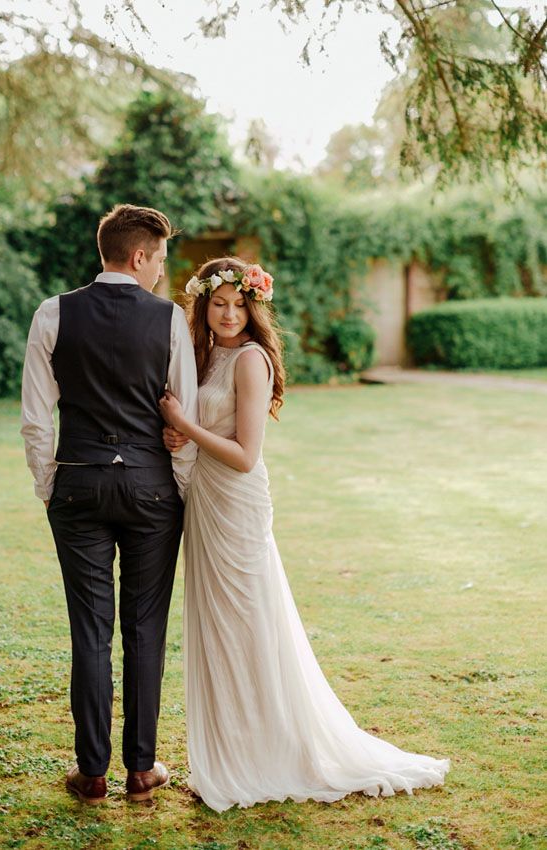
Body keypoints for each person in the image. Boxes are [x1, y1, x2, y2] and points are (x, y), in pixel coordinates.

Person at [159, 257, 450, 813]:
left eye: (238, 304)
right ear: (203, 305)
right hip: (204, 505)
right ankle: (230, 750)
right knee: (216, 628)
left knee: (249, 625)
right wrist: (181, 441)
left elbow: (245, 456)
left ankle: (266, 754)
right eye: (218, 304)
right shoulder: (203, 356)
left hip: (237, 506)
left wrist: (186, 426)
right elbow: (200, 429)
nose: (227, 314)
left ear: (253, 307)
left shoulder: (249, 360)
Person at [20, 203, 198, 804]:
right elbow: (184, 411)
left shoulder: (53, 312)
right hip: (152, 489)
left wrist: (51, 485)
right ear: (138, 256)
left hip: (78, 485)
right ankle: (141, 769)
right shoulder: (169, 320)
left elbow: (35, 418)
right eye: (159, 262)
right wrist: (175, 481)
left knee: (89, 631)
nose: (160, 275)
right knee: (145, 628)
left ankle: (92, 772)